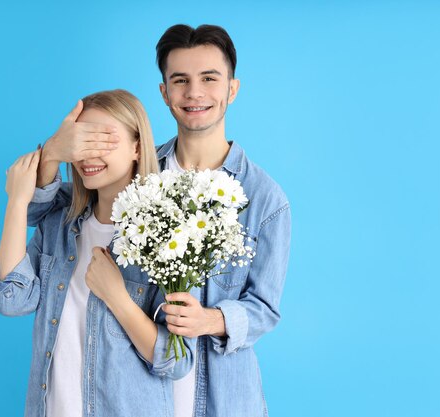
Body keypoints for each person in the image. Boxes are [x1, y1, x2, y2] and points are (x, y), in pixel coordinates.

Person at [28, 25, 291, 417]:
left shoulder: (266, 199)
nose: (194, 93)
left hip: (222, 396)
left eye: (209, 79)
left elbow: (265, 308)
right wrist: (51, 155)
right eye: (180, 80)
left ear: (232, 89)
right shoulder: (137, 171)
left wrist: (211, 319)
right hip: (134, 392)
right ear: (164, 93)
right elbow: (49, 212)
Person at [0, 89, 196, 417]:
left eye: (103, 139)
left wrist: (118, 298)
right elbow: (13, 301)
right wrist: (16, 201)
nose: (88, 154)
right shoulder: (59, 221)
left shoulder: (169, 236)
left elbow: (176, 360)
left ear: (137, 146)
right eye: (81, 142)